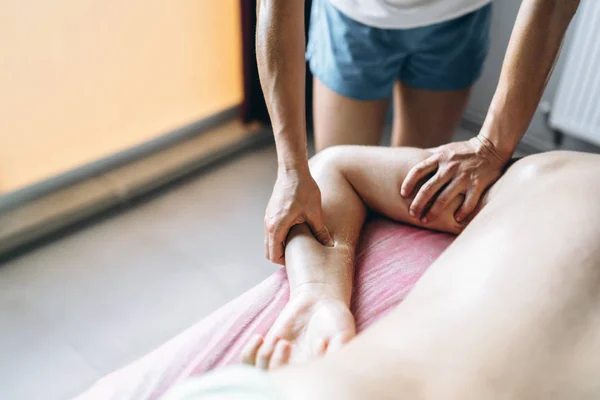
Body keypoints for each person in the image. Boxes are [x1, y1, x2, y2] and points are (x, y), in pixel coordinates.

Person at [161, 147, 600, 400]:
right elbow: (332, 171)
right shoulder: (553, 176)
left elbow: (334, 168)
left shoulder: (551, 174)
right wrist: (315, 297)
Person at [260, 0, 580, 265]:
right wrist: (291, 169)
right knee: (331, 189)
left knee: (420, 197)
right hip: (352, 15)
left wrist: (492, 146)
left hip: (457, 16)